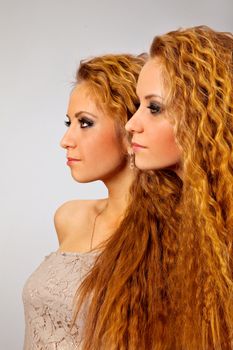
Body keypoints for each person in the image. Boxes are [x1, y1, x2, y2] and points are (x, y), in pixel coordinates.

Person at [22, 53, 147, 349]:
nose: (66, 139)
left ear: (132, 134)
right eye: (69, 122)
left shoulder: (167, 235)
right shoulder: (69, 218)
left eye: (85, 123)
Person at [126, 26, 233, 349]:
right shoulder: (175, 217)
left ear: (204, 114)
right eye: (138, 105)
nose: (132, 123)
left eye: (154, 108)